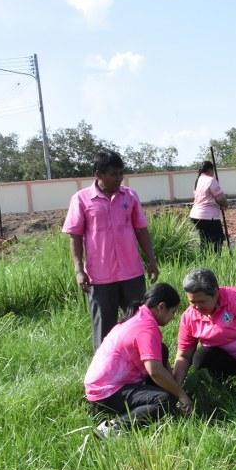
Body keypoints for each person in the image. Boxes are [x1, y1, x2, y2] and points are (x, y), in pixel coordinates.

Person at [63, 149, 159, 349]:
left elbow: (141, 231)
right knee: (104, 331)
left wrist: (151, 260)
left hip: (132, 273)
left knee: (138, 324)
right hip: (100, 277)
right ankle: (105, 375)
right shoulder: (81, 199)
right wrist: (79, 270)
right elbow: (75, 236)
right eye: (114, 174)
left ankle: (140, 370)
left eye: (121, 173)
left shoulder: (129, 196)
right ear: (98, 174)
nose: (119, 178)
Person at [85, 283, 193, 438]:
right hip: (106, 393)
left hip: (101, 386)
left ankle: (163, 397)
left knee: (161, 349)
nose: (173, 318)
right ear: (161, 307)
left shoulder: (138, 315)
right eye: (173, 312)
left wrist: (175, 387)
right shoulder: (147, 328)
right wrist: (180, 394)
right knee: (165, 400)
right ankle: (112, 428)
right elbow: (154, 370)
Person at [190, 161, 228, 254]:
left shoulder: (198, 180)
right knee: (218, 238)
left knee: (204, 240)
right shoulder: (211, 180)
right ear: (211, 170)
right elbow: (220, 198)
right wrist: (225, 205)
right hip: (208, 216)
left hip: (196, 215)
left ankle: (204, 260)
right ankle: (216, 260)